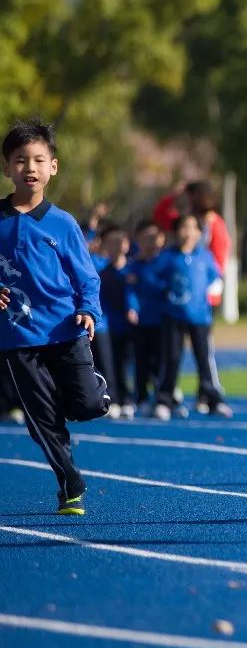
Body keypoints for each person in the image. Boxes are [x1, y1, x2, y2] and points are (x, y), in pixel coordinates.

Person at [0, 120, 109, 515]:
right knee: (41, 420)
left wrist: (88, 310)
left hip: (66, 329)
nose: (29, 167)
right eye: (20, 160)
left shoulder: (62, 223)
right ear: (6, 168)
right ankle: (70, 482)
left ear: (53, 167)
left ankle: (93, 385)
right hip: (17, 338)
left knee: (86, 407)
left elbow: (86, 276)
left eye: (38, 160)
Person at [150, 214, 230, 419]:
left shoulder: (204, 256)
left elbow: (215, 277)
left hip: (200, 317)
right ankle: (165, 400)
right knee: (172, 358)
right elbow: (153, 278)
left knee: (204, 359)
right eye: (185, 227)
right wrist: (166, 292)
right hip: (173, 316)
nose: (189, 232)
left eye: (194, 228)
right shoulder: (168, 257)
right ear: (176, 232)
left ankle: (212, 398)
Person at [96, 224, 135, 418]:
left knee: (125, 363)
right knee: (108, 363)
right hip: (107, 326)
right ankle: (113, 398)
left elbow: (135, 295)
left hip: (127, 326)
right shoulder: (102, 271)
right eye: (110, 243)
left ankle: (127, 397)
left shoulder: (132, 271)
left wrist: (133, 309)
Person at [128, 220, 167, 415]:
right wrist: (132, 308)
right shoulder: (134, 265)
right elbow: (130, 290)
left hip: (162, 320)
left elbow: (167, 287)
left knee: (161, 361)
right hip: (141, 321)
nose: (150, 242)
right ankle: (141, 397)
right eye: (145, 238)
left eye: (154, 237)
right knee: (141, 360)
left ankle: (163, 397)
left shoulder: (166, 262)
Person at [185, 181, 230, 309]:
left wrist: (209, 277)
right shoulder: (191, 222)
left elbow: (219, 257)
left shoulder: (214, 224)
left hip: (205, 284)